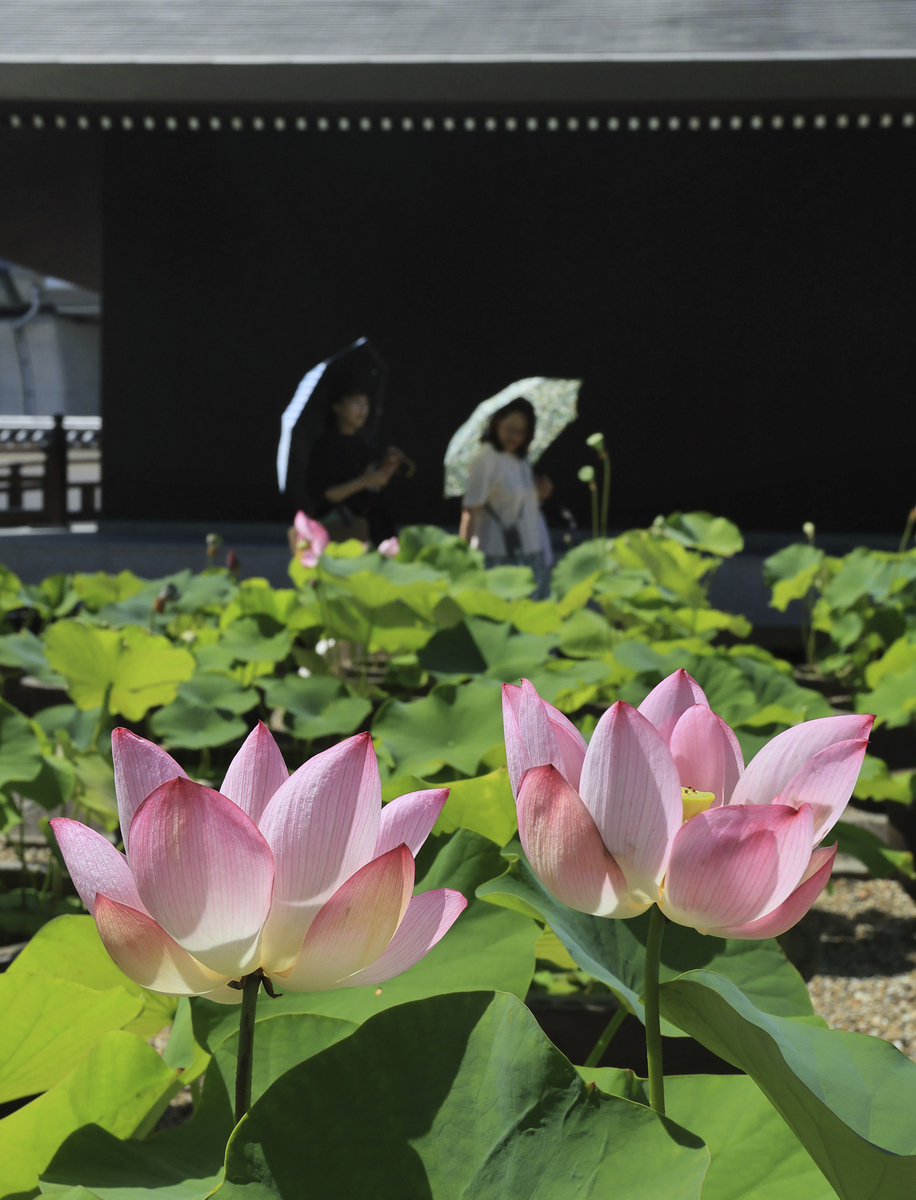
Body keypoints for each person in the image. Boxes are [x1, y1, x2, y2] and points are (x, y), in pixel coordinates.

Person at [459, 397, 552, 596]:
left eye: (521, 432)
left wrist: (540, 493)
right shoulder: (486, 457)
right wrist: (463, 560)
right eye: (509, 428)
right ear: (497, 422)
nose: (514, 436)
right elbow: (469, 511)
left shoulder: (522, 458)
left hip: (531, 552)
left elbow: (520, 502)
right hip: (497, 555)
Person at [305, 380, 406, 544]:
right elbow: (327, 495)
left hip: (375, 528)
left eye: (366, 403)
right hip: (342, 533)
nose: (363, 409)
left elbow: (375, 486)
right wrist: (364, 481)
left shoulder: (366, 444)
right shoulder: (325, 447)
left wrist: (389, 466)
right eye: (356, 402)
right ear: (337, 406)